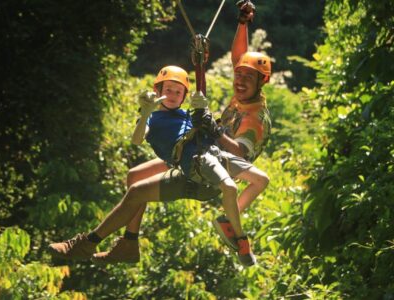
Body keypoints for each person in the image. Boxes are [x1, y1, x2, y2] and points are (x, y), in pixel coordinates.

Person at [48, 0, 271, 265]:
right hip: (192, 148)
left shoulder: (255, 118)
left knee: (137, 192)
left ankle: (87, 243)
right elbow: (239, 57)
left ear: (261, 82)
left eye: (248, 77)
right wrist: (242, 23)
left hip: (206, 171)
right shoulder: (242, 94)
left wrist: (210, 126)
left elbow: (239, 156)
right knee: (134, 176)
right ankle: (129, 243)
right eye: (239, 75)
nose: (240, 80)